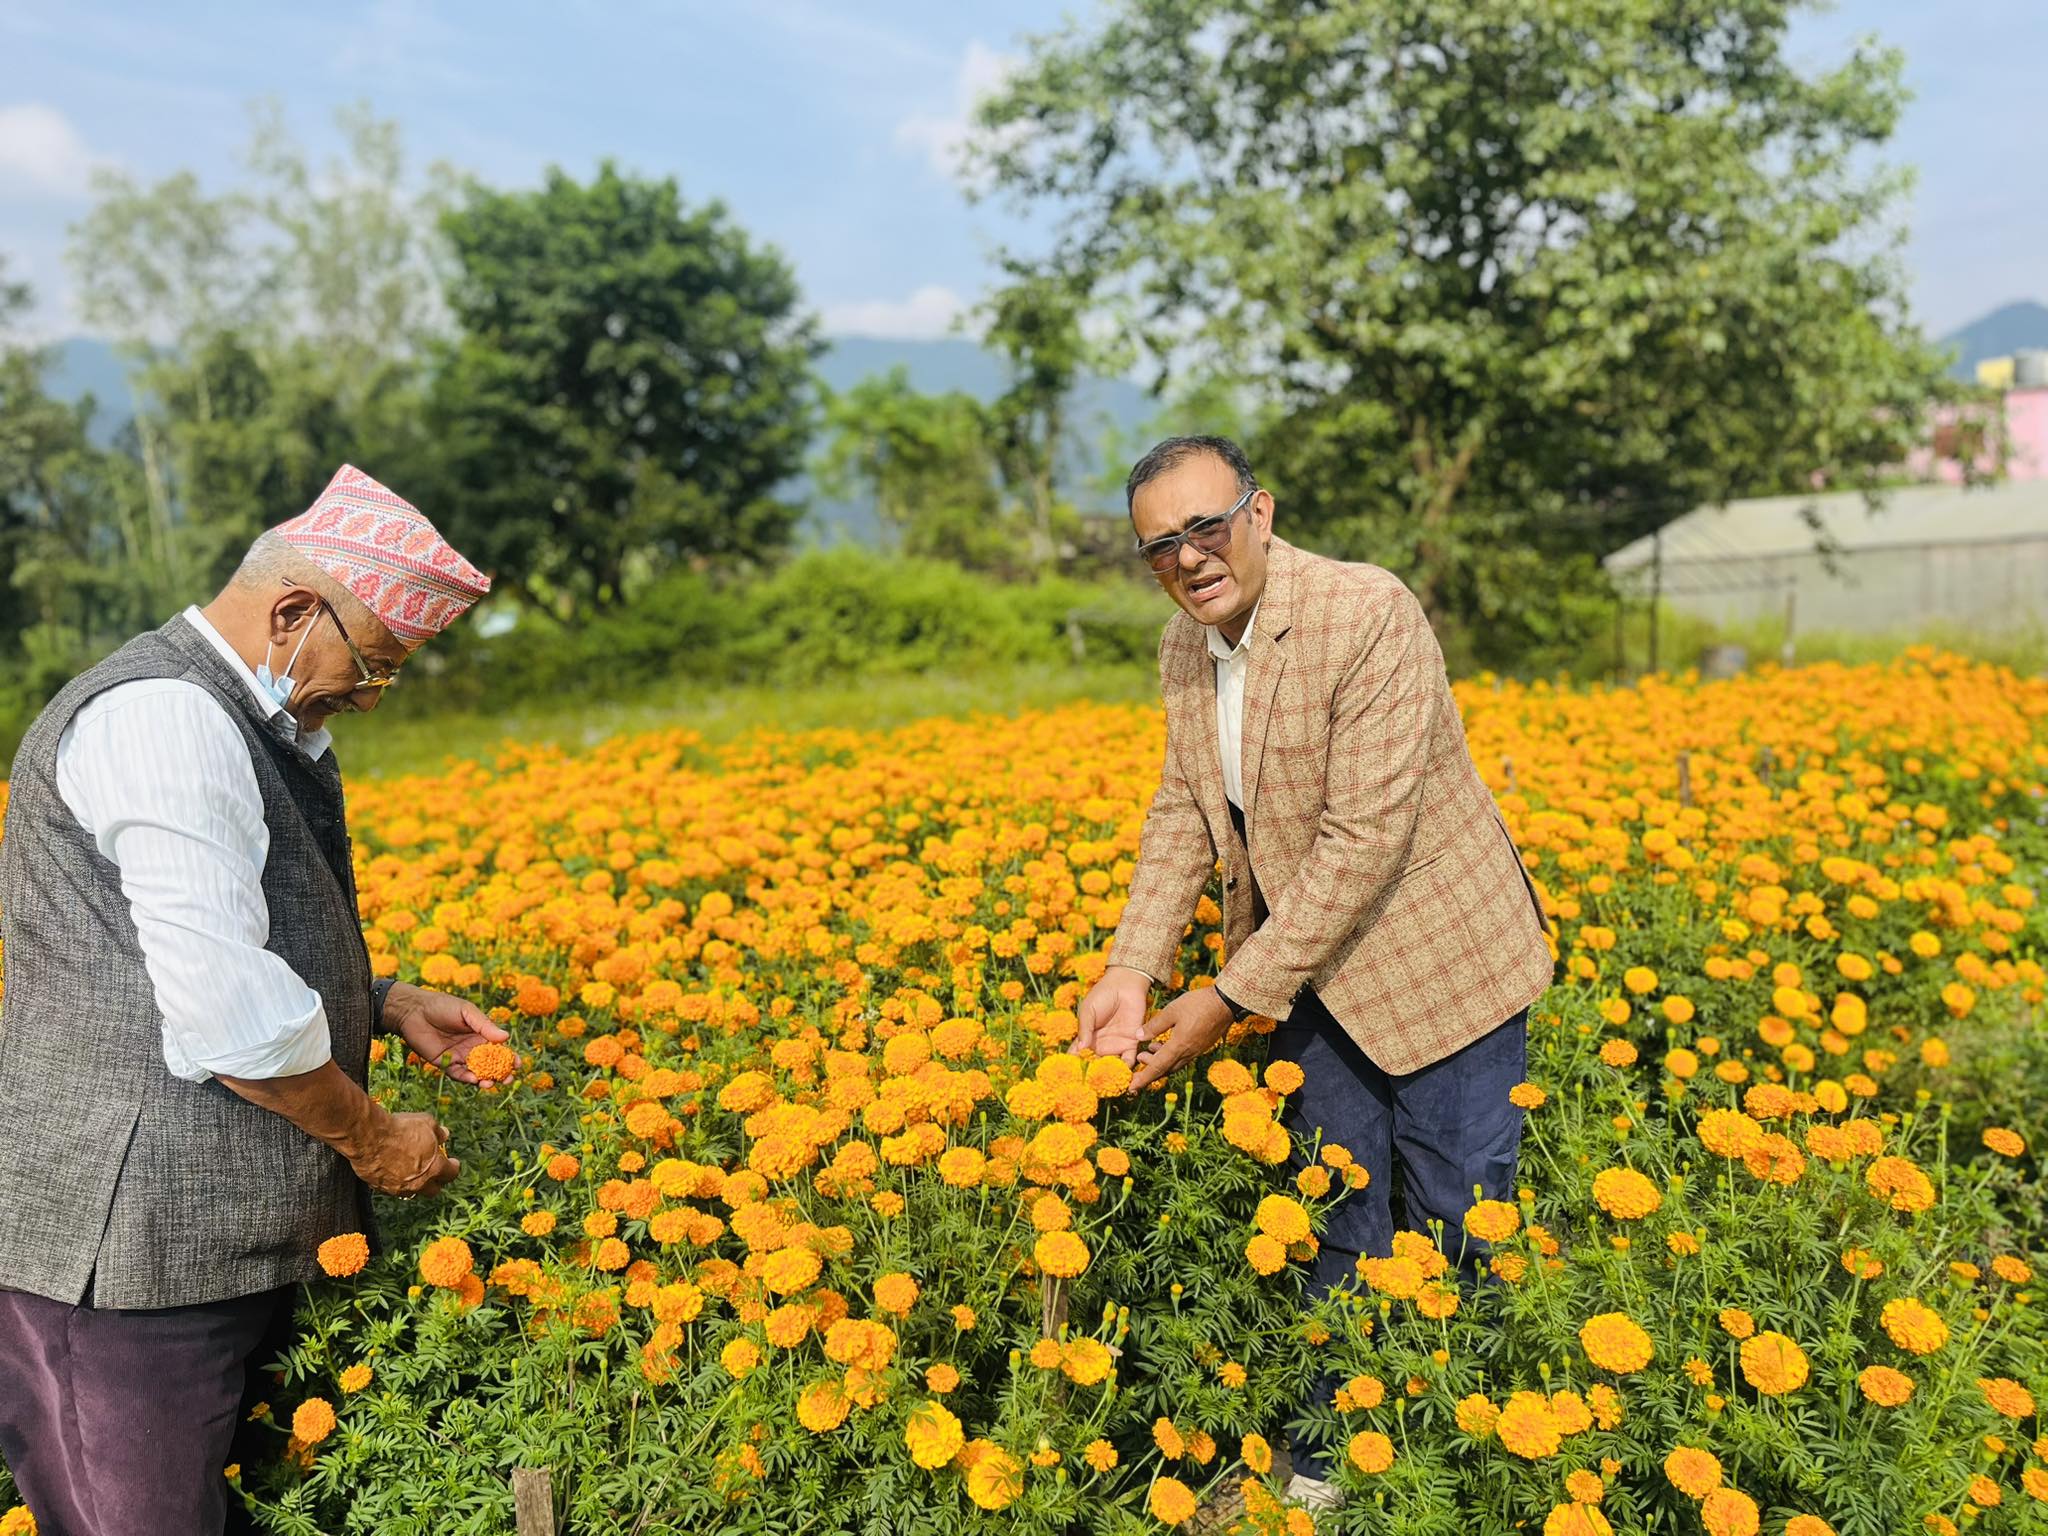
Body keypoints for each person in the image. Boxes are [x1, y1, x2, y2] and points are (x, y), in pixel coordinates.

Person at [0, 465, 503, 1536]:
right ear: (289, 611)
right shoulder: (164, 720)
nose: (364, 699)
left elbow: (185, 945)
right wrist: (375, 1142)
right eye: (370, 667)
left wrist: (384, 999)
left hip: (204, 1246)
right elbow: (226, 1013)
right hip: (131, 1265)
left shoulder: (229, 715)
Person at [1072, 436, 1554, 1511]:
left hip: (1438, 966)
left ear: (1258, 513)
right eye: (1160, 545)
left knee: (1457, 1211)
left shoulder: (1363, 611)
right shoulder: (1182, 651)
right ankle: (1338, 1453)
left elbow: (1364, 841)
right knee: (1332, 1210)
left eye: (1204, 526)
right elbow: (1180, 813)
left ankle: (1455, 1463)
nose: (1188, 557)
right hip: (1309, 975)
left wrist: (1227, 996)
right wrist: (1130, 968)